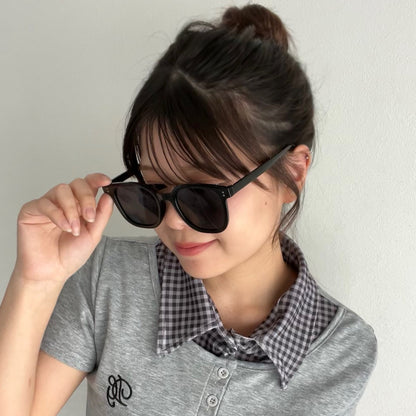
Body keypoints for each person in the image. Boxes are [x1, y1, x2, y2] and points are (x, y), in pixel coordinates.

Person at [0, 4, 377, 415]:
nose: (173, 220)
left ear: (293, 171)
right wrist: (35, 281)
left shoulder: (343, 353)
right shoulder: (108, 280)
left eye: (204, 194)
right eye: (155, 189)